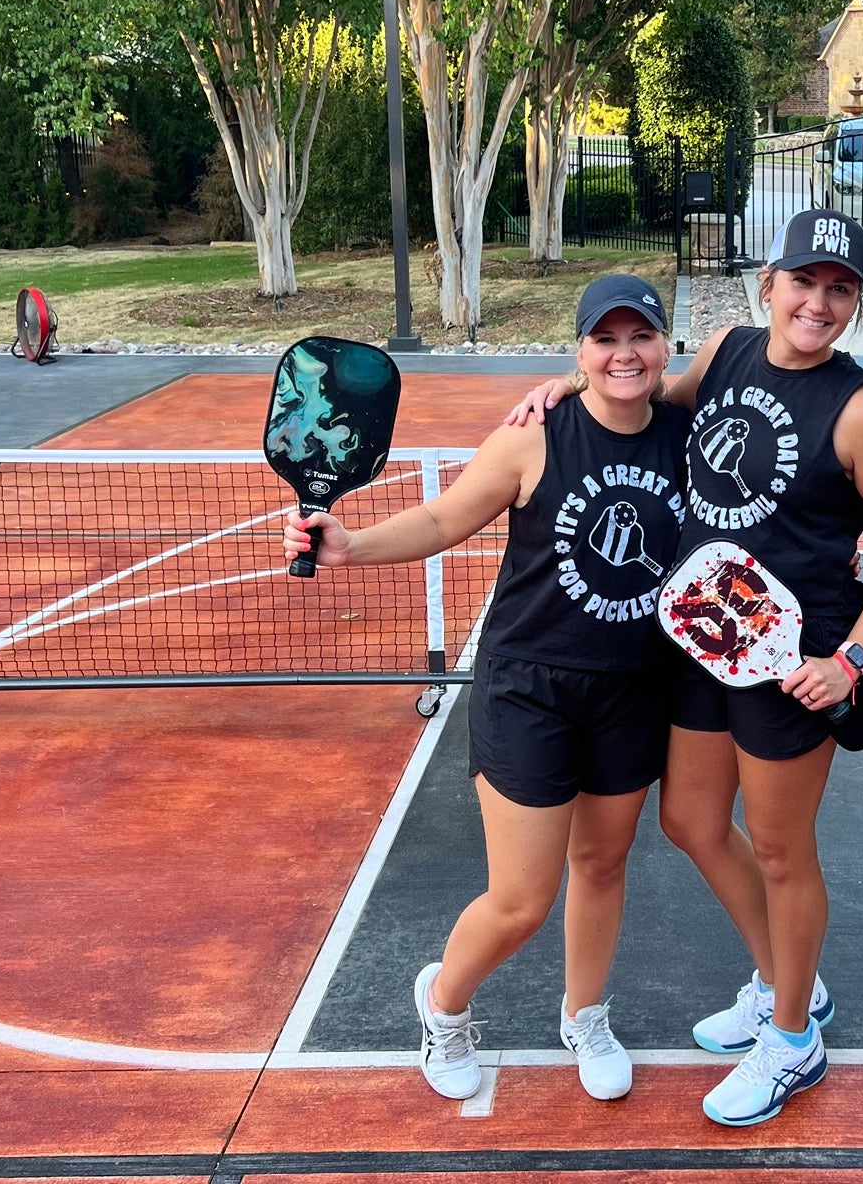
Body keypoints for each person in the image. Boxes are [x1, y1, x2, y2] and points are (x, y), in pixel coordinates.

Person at [509, 209, 863, 1125]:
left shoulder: (861, 410)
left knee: (782, 850)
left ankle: (792, 1042)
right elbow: (652, 395)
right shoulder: (734, 351)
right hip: (706, 636)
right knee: (693, 821)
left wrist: (852, 657)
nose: (816, 303)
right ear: (770, 284)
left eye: (839, 290)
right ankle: (791, 984)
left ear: (854, 305)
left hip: (798, 657)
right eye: (803, 282)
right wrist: (567, 386)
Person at [282, 275, 690, 1104]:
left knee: (604, 864)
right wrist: (350, 547)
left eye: (640, 336)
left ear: (663, 346)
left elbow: (734, 358)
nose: (624, 354)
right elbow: (442, 520)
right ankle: (442, 1006)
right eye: (603, 340)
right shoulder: (532, 438)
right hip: (530, 689)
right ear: (579, 350)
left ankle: (585, 1013)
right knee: (521, 900)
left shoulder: (685, 433)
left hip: (636, 688)